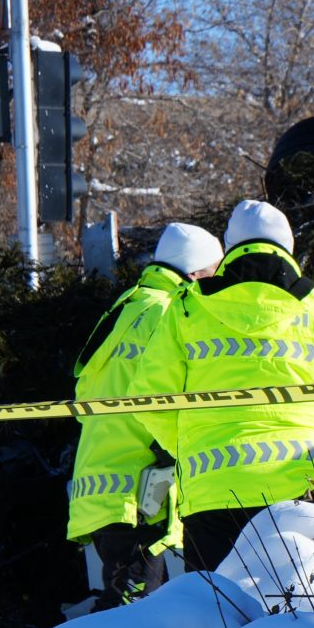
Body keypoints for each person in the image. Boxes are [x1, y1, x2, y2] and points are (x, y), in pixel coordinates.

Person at [129, 200, 314, 571]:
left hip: (210, 490)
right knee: (295, 614)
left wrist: (189, 446)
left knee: (218, 618)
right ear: (288, 247)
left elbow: (150, 399)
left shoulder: (184, 309)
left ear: (229, 248)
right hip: (297, 487)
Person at [66, 221, 220, 607]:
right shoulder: (171, 312)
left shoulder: (128, 307)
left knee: (133, 610)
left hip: (101, 488)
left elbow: (84, 392)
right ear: (193, 273)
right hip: (139, 493)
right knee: (131, 620)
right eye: (212, 275)